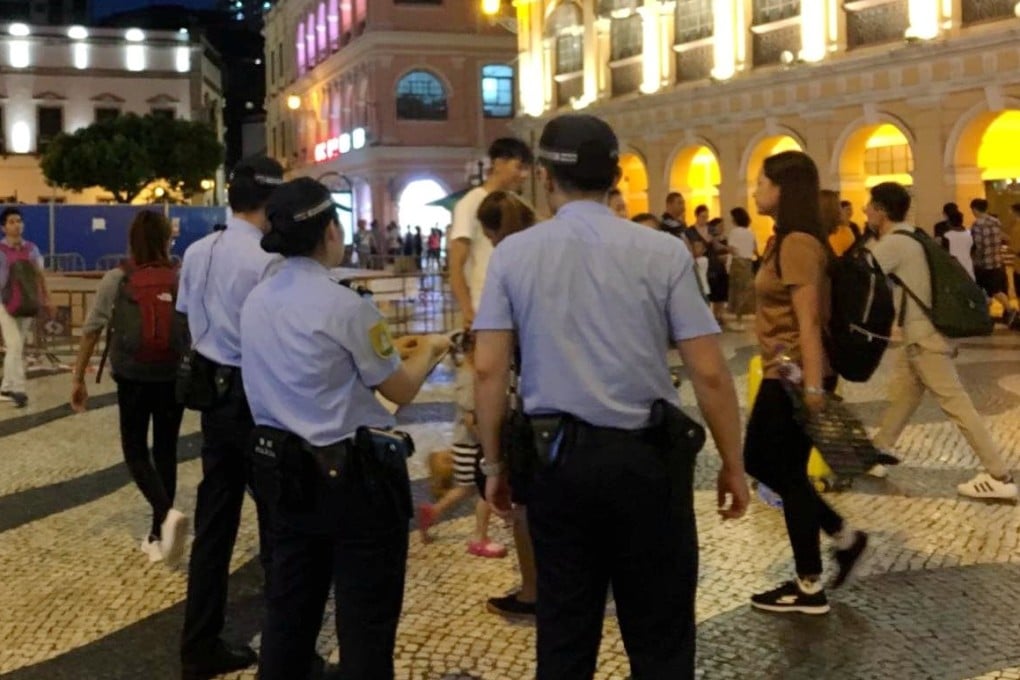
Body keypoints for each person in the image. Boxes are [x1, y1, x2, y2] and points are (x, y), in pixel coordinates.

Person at [473, 114, 749, 679]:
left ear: (546, 177)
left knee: (565, 631)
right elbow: (711, 373)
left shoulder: (514, 255)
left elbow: (488, 370)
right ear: (616, 176)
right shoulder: (662, 252)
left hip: (556, 466)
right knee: (661, 633)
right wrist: (733, 463)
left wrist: (495, 462)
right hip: (646, 463)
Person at [242, 177, 450, 679]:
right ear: (329, 231)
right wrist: (430, 351)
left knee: (290, 612)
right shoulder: (347, 306)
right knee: (366, 620)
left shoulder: (256, 302)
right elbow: (398, 390)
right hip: (355, 480)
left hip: (283, 473)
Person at [745, 150, 867, 616]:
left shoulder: (797, 244)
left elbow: (810, 323)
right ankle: (836, 545)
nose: (755, 191)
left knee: (767, 462)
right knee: (782, 470)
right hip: (788, 372)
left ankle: (813, 579)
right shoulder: (784, 241)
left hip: (795, 375)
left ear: (782, 189)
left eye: (761, 183)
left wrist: (814, 388)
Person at [176, 156, 284, 678]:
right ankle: (289, 644)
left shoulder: (198, 251)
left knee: (214, 526)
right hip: (258, 396)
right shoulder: (269, 257)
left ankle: (199, 644)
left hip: (214, 395)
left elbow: (186, 318)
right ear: (271, 199)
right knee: (279, 522)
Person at [865, 182, 1017, 500]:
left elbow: (859, 275)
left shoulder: (894, 243)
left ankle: (999, 474)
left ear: (880, 209)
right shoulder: (914, 235)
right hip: (921, 336)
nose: (865, 211)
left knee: (957, 404)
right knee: (905, 395)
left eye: (869, 206)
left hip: (924, 338)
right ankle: (878, 451)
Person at [70, 210, 187, 565]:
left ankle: (166, 514)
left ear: (132, 240)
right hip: (171, 375)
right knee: (166, 449)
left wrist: (78, 378)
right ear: (167, 239)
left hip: (133, 377)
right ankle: (158, 536)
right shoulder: (179, 279)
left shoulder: (117, 279)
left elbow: (91, 329)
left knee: (135, 450)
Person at [435, 137, 533, 559]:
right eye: (519, 166)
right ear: (500, 162)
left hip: (518, 317)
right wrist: (468, 310)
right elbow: (456, 262)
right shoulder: (473, 203)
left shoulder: (516, 206)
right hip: (487, 317)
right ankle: (491, 480)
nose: (523, 175)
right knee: (486, 401)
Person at [475, 190, 540, 619]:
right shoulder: (554, 250)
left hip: (535, 401)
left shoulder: (508, 262)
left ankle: (534, 590)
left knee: (525, 507)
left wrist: (492, 461)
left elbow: (488, 368)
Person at [0, 207, 53, 409]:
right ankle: (18, 389)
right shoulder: (0, 251)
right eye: (12, 221)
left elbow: (40, 275)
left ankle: (6, 386)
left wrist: (46, 298)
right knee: (14, 345)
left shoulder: (32, 249)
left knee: (17, 345)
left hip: (27, 302)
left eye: (19, 221)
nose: (17, 225)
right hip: (4, 304)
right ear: (3, 227)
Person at [970, 198, 1015, 326]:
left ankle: (1010, 310)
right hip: (998, 260)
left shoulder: (977, 225)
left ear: (974, 209)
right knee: (996, 289)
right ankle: (991, 315)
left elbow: (978, 245)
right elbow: (1000, 237)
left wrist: (974, 260)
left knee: (992, 291)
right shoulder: (996, 221)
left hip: (985, 264)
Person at [726, 207, 757, 330]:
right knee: (745, 290)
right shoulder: (750, 232)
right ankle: (742, 316)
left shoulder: (734, 232)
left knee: (736, 290)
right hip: (748, 262)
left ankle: (738, 318)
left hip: (738, 262)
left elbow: (732, 249)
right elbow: (755, 249)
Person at [941, 210, 975, 280]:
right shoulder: (970, 234)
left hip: (953, 270)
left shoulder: (947, 236)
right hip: (968, 268)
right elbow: (973, 251)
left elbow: (944, 254)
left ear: (949, 222)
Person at [826, 191, 857, 257]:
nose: (850, 212)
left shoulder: (849, 229)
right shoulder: (841, 230)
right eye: (847, 209)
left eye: (851, 209)